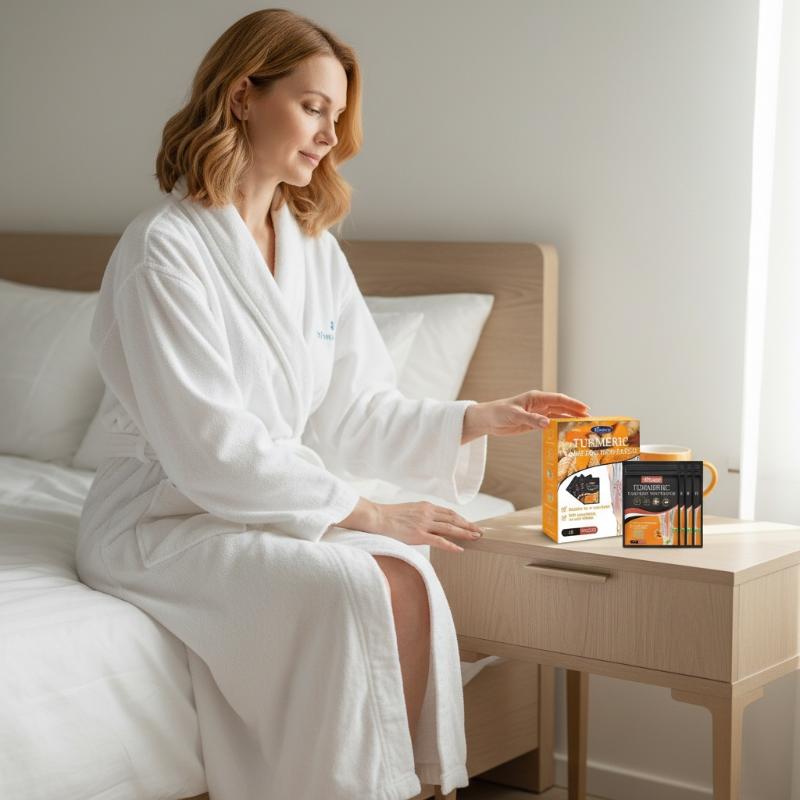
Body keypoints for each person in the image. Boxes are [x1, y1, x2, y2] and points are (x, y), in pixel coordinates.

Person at [75, 8, 590, 800]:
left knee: (405, 574)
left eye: (337, 115)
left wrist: (474, 417)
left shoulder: (312, 246)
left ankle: (401, 788)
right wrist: (370, 512)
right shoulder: (164, 249)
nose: (329, 134)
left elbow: (354, 409)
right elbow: (209, 445)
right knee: (358, 581)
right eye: (313, 106)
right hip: (162, 516)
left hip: (260, 501)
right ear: (243, 95)